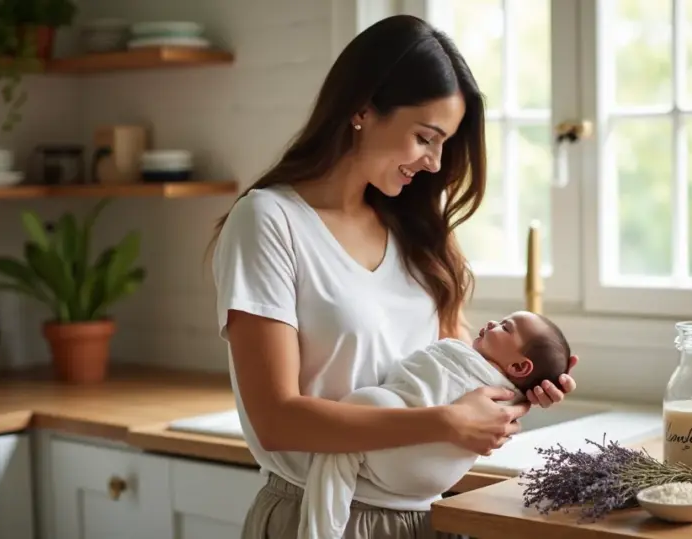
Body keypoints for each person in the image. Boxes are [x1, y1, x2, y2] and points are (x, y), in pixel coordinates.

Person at [209, 14, 579, 539]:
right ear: (362, 108)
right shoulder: (270, 222)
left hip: (428, 519)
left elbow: (457, 377)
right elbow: (276, 419)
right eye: (426, 137)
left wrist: (518, 391)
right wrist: (445, 424)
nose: (435, 163)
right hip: (321, 517)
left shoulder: (419, 235)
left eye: (445, 144)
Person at [299, 311, 571, 539]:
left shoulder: (492, 388)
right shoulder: (496, 388)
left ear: (520, 368)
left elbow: (426, 383)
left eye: (505, 327)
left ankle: (322, 527)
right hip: (424, 481)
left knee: (362, 403)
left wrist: (529, 398)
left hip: (412, 463)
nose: (491, 323)